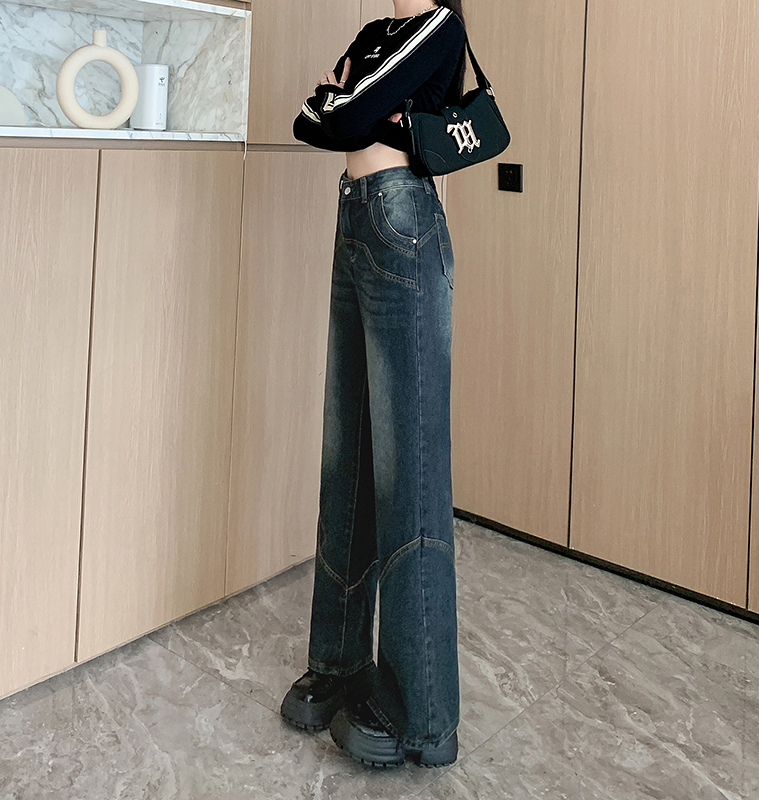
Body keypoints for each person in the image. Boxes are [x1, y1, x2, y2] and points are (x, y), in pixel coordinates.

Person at [280, 0, 468, 769]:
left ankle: (423, 714)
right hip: (357, 215)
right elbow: (312, 121)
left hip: (402, 219)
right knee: (347, 454)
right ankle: (339, 660)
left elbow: (344, 115)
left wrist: (348, 103)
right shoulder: (373, 36)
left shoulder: (439, 27)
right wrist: (349, 108)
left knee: (408, 471)